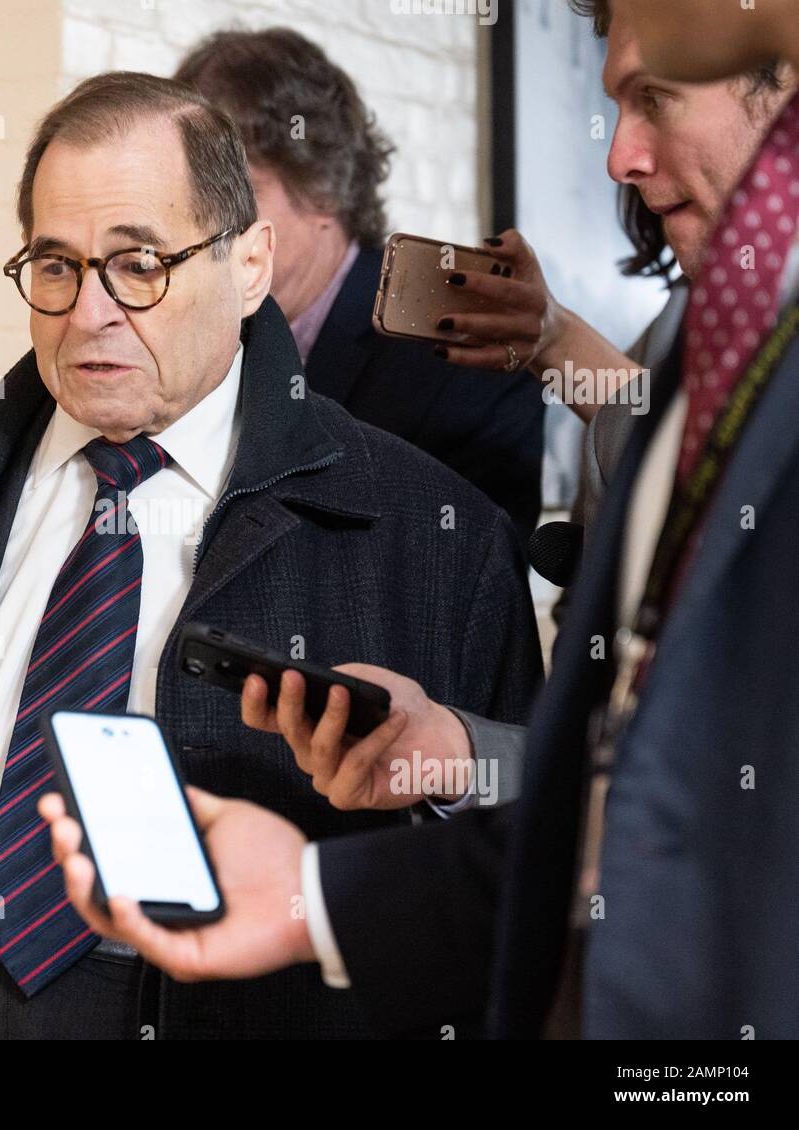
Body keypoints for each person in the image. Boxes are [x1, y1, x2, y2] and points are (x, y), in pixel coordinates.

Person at [0, 72, 542, 1040]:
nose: (90, 311)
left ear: (249, 265)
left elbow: (530, 861)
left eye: (138, 263)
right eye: (56, 266)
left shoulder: (439, 539)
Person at [43, 0, 799, 1039]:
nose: (618, 152)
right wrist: (338, 867)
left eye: (653, 95)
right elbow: (630, 794)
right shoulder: (691, 356)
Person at [175, 28, 546, 549]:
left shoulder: (462, 352)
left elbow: (470, 579)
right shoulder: (188, 334)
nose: (198, 226)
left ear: (322, 184)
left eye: (234, 195)